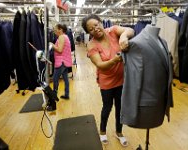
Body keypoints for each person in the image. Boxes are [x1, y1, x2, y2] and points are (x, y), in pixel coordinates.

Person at [81, 14, 134, 146]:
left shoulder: (113, 31)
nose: (95, 29)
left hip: (121, 79)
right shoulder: (92, 45)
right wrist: (116, 60)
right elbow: (100, 65)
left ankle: (119, 132)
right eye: (91, 29)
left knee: (120, 108)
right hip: (107, 81)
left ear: (100, 22)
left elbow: (131, 30)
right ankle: (103, 131)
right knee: (107, 107)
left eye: (96, 25)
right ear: (88, 32)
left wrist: (123, 36)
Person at [50, 24, 72, 99]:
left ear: (61, 29)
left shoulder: (62, 37)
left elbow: (59, 50)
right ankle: (66, 94)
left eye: (56, 29)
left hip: (61, 62)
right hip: (65, 61)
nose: (55, 31)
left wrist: (52, 45)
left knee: (55, 79)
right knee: (65, 79)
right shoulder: (65, 37)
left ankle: (54, 96)